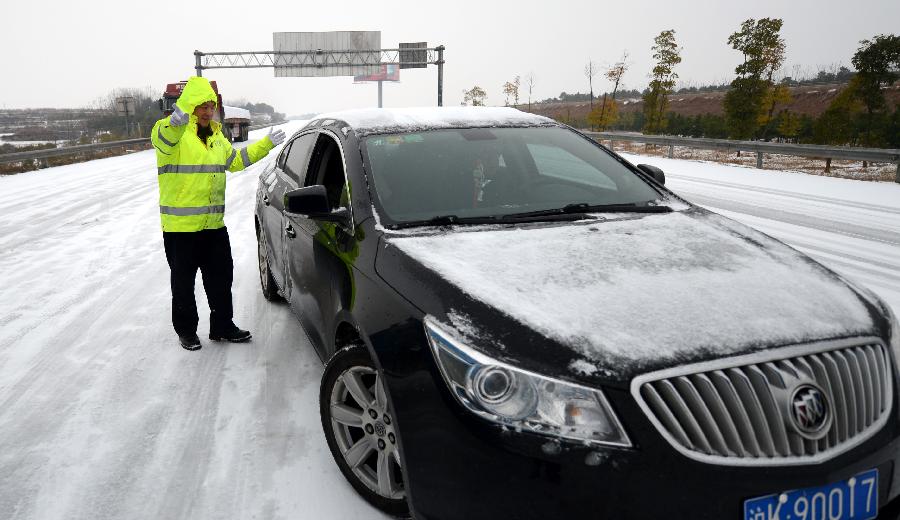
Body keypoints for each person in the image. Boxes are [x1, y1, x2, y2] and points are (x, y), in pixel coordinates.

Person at [150, 76, 286, 351]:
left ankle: (223, 326)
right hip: (181, 229)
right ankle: (187, 332)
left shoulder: (216, 136)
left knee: (221, 278)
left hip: (213, 226)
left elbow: (235, 162)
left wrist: (266, 144)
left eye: (211, 105)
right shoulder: (172, 133)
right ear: (190, 105)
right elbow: (162, 140)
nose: (207, 110)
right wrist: (173, 125)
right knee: (183, 285)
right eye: (201, 105)